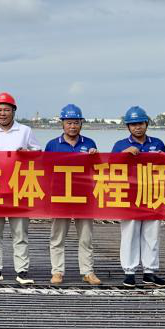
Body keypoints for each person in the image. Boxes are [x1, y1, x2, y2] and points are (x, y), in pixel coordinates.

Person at [0, 91, 39, 285]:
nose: (3, 113)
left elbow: (39, 154)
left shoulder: (25, 131)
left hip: (19, 189)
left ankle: (22, 270)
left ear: (14, 111)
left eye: (6, 110)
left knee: (20, 232)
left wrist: (28, 153)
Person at [44, 104, 101, 286]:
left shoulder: (89, 143)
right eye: (69, 123)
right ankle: (57, 271)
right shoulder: (52, 145)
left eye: (76, 122)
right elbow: (45, 170)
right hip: (60, 196)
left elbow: (97, 169)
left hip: (84, 196)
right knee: (57, 236)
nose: (72, 126)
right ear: (62, 124)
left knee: (86, 237)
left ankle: (87, 271)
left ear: (81, 124)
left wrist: (95, 156)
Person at [113, 105, 165, 289]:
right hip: (130, 195)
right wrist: (124, 154)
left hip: (152, 194)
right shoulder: (120, 145)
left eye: (140, 123)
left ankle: (150, 271)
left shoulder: (157, 143)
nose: (137, 127)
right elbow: (110, 168)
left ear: (146, 124)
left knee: (152, 235)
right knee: (130, 234)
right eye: (133, 124)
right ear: (128, 126)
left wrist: (161, 157)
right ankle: (129, 271)